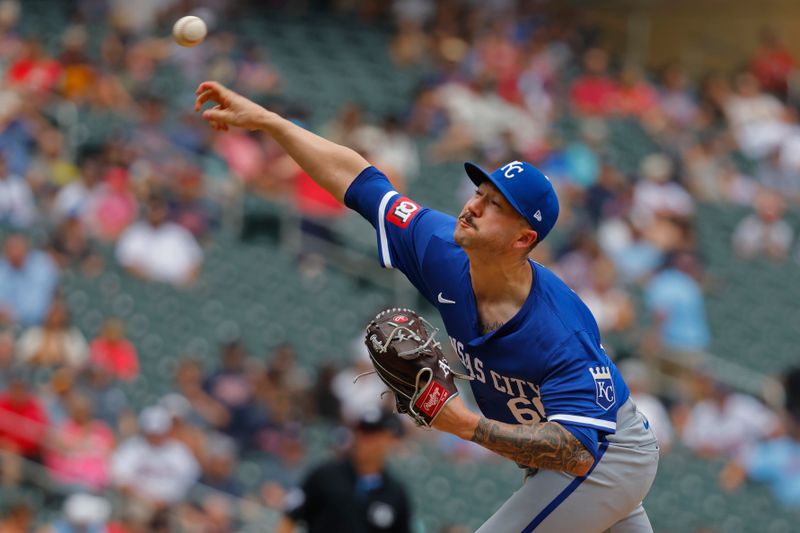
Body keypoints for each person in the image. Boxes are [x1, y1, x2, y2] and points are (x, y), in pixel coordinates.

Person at [194, 81, 660, 532]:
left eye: (495, 205)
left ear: (523, 238)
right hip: (568, 467)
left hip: (604, 457)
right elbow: (358, 181)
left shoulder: (558, 327)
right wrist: (272, 123)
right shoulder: (440, 247)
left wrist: (466, 426)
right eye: (479, 192)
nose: (474, 206)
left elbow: (577, 451)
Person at [278, 409, 411, 533]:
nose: (366, 441)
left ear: (388, 440)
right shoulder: (325, 476)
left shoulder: (396, 493)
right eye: (362, 433)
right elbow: (290, 519)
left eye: (374, 435)